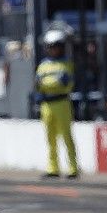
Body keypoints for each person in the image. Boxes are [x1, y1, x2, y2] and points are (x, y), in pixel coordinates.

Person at [35, 30, 78, 179]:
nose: (53, 49)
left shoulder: (66, 64)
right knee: (50, 138)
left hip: (62, 103)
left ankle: (73, 168)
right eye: (51, 46)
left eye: (56, 46)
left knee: (66, 136)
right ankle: (53, 168)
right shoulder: (43, 65)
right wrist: (51, 84)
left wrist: (49, 84)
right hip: (46, 104)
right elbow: (38, 84)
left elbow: (65, 83)